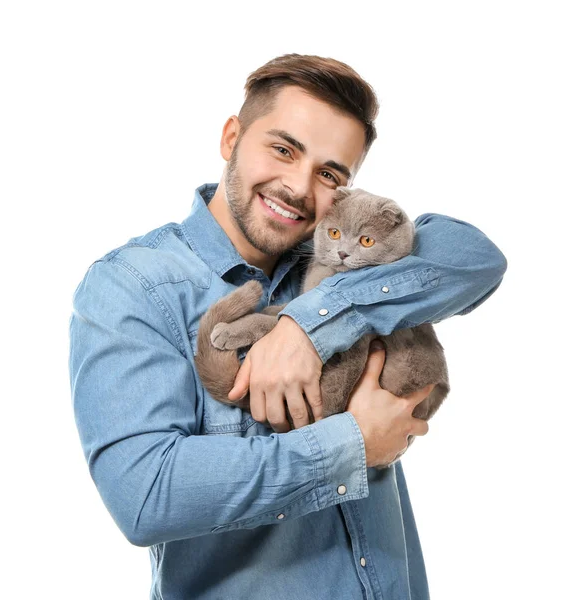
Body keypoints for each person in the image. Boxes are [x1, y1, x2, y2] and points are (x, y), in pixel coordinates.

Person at [69, 53, 507, 599]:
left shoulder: (337, 259)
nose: (299, 188)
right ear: (232, 138)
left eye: (329, 174)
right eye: (282, 149)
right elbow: (146, 495)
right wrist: (351, 443)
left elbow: (476, 257)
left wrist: (312, 323)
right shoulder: (132, 286)